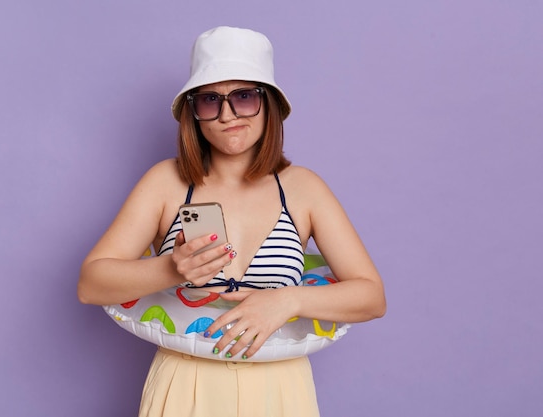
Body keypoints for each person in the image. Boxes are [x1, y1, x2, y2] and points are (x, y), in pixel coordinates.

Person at [78, 26, 386, 417]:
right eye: (210, 101)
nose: (227, 115)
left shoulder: (304, 189)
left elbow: (371, 297)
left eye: (244, 97)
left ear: (268, 104)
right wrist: (170, 267)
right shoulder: (165, 182)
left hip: (281, 387)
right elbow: (91, 284)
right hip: (185, 383)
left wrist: (287, 299)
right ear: (193, 112)